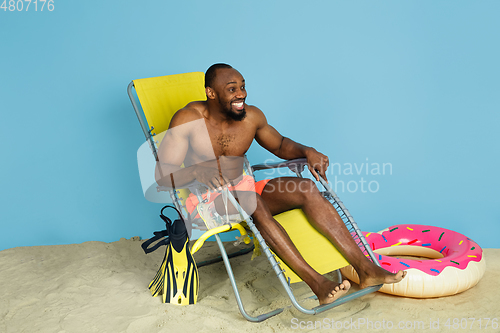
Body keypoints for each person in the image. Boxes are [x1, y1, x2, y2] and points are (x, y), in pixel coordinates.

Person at [155, 63, 406, 305]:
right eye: (232, 89)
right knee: (251, 201)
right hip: (206, 202)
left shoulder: (251, 117)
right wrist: (197, 170)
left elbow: (280, 144)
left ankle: (365, 269)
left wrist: (308, 151)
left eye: (243, 86)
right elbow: (162, 176)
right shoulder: (188, 119)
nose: (241, 94)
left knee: (306, 188)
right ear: (211, 93)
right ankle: (318, 284)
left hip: (244, 188)